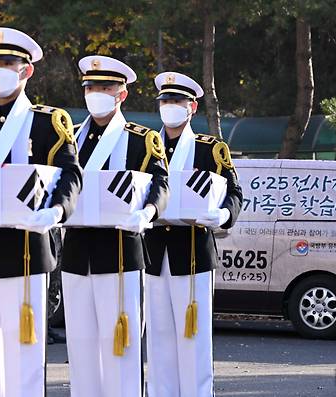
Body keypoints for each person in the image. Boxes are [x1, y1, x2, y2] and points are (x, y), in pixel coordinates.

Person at [0, 27, 82, 397]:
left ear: (26, 70)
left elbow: (71, 174)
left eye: (7, 63)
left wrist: (57, 210)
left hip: (25, 249)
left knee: (23, 351)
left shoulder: (46, 123)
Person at [61, 55, 169, 397]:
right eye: (90, 87)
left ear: (121, 94)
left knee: (121, 348)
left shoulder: (141, 139)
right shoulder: (70, 137)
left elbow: (161, 185)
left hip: (120, 253)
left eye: (105, 88)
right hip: (77, 255)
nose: (96, 93)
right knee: (80, 348)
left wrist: (149, 212)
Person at [143, 72, 242, 397]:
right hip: (154, 252)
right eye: (165, 101)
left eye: (177, 101)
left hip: (193, 252)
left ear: (192, 107)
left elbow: (235, 192)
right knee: (158, 337)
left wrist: (224, 215)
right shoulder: (146, 147)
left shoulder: (210, 149)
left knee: (194, 337)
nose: (170, 107)